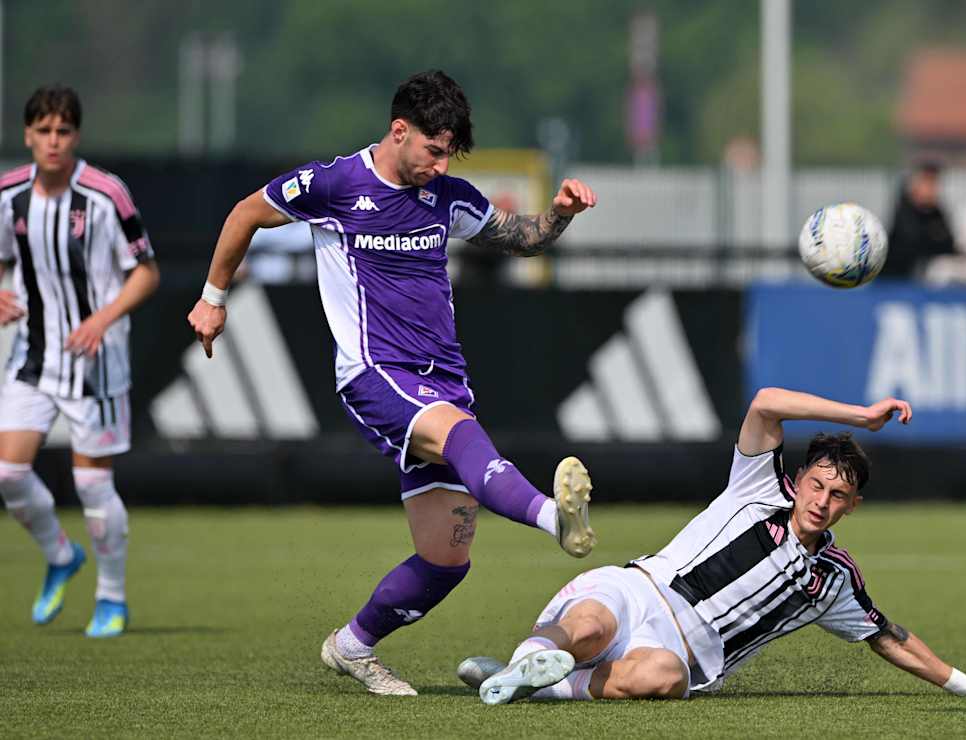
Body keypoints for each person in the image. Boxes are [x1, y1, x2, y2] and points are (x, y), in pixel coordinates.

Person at [186, 70, 598, 696]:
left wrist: (560, 216)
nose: (440, 164)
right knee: (461, 436)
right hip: (376, 373)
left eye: (449, 153)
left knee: (445, 561)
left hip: (443, 378)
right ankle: (553, 519)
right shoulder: (333, 184)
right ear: (399, 131)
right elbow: (246, 213)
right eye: (433, 149)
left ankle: (352, 646)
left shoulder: (448, 197)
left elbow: (522, 238)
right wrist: (213, 297)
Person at [459, 387, 966, 704]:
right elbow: (765, 402)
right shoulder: (757, 486)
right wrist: (860, 415)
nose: (821, 500)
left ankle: (537, 683)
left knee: (659, 679)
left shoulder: (832, 580)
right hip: (639, 592)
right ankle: (524, 661)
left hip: (683, 658)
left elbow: (888, 637)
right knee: (587, 629)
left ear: (851, 507)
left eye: (838, 495)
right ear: (801, 477)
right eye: (817, 484)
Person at [0, 85, 161, 638]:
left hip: (96, 361)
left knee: (92, 484)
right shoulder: (8, 194)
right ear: (27, 135)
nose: (53, 141)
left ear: (76, 135)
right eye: (43, 131)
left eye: (62, 131)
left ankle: (112, 598)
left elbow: (146, 271)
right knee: (8, 471)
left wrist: (102, 317)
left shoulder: (104, 193)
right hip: (32, 354)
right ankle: (60, 554)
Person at [882, 161, 955, 280]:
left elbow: (948, 245)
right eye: (928, 182)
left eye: (934, 182)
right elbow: (911, 244)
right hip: (899, 280)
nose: (933, 188)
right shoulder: (904, 211)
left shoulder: (937, 214)